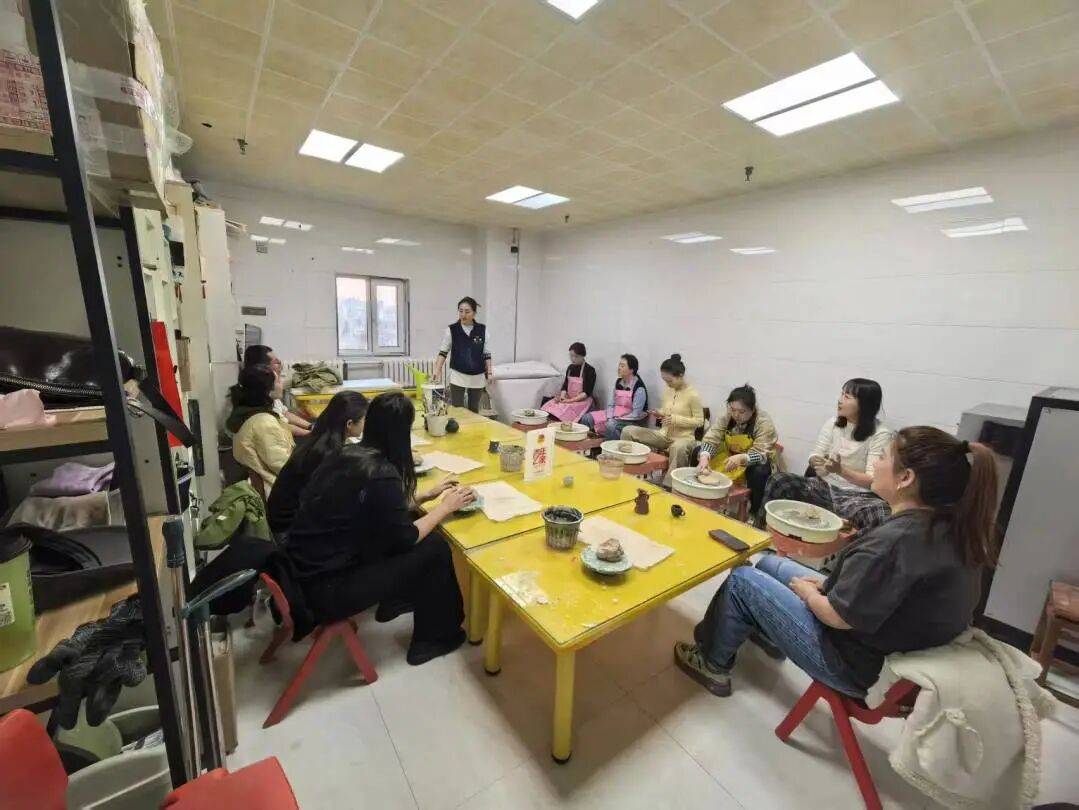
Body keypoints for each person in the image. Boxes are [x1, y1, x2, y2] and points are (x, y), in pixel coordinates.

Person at [675, 426, 999, 698]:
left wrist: (811, 594)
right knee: (768, 564)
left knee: (743, 579)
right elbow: (877, 592)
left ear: (905, 478)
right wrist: (826, 585)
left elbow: (837, 616)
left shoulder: (895, 542)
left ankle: (711, 662)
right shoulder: (951, 527)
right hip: (882, 643)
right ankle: (766, 630)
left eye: (883, 458)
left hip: (853, 664)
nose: (877, 465)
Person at [286, 392, 475, 665]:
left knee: (393, 531)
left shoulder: (347, 453)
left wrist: (425, 496)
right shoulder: (381, 472)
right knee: (434, 547)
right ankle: (432, 639)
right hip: (326, 592)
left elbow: (378, 514)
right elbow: (407, 538)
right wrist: (445, 507)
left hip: (304, 572)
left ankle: (395, 602)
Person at [763, 378, 893, 532]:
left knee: (881, 513)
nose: (840, 400)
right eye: (842, 394)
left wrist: (840, 470)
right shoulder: (833, 423)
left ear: (864, 404)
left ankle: (850, 545)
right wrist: (817, 462)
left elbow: (872, 480)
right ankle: (763, 532)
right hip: (825, 488)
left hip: (858, 497)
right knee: (779, 480)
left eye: (847, 397)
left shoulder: (880, 434)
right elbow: (816, 454)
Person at [267, 391, 368, 536]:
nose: (366, 424)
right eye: (364, 419)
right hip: (290, 530)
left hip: (284, 519)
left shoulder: (319, 439)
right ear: (349, 424)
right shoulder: (327, 453)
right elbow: (328, 503)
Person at [695, 384, 778, 516]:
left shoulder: (763, 422)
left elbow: (762, 453)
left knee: (759, 471)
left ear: (752, 409)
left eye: (741, 412)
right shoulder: (728, 416)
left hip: (753, 461)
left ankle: (755, 513)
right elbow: (712, 437)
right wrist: (704, 456)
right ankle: (698, 495)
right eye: (733, 409)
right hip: (730, 456)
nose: (736, 415)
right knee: (699, 451)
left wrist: (742, 458)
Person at [621, 354, 703, 478]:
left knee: (677, 448)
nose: (668, 384)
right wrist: (659, 413)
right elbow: (666, 410)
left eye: (670, 381)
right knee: (628, 431)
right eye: (665, 381)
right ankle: (627, 472)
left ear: (680, 375)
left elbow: (699, 421)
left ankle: (670, 485)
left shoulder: (693, 395)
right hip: (663, 435)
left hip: (683, 438)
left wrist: (676, 420)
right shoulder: (668, 390)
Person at [229, 364, 295, 495]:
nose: (282, 384)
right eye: (278, 381)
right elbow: (285, 467)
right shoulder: (264, 423)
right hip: (276, 492)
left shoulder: (248, 415)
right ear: (268, 390)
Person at [433, 297, 491, 413]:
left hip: (477, 376)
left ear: (474, 313)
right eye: (461, 311)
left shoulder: (482, 330)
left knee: (474, 410)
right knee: (457, 409)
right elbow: (443, 352)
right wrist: (437, 370)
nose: (463, 315)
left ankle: (472, 426)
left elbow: (486, 354)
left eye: (467, 311)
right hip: (458, 375)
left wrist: (489, 372)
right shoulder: (452, 330)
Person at [242, 344, 311, 437]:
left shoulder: (267, 394)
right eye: (276, 362)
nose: (280, 364)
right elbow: (281, 426)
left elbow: (284, 413)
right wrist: (311, 433)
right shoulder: (257, 403)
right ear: (262, 367)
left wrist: (311, 427)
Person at [579, 354, 648, 440]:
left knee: (611, 425)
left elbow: (636, 414)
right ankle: (587, 445)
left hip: (628, 420)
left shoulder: (639, 388)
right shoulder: (618, 382)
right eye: (619, 365)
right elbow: (611, 405)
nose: (619, 368)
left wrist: (617, 419)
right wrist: (609, 417)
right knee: (587, 418)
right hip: (613, 415)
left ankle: (609, 447)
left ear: (631, 370)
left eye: (622, 366)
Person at [540, 342, 596, 423]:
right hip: (568, 398)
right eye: (571, 356)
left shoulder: (590, 370)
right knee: (547, 406)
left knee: (563, 411)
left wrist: (570, 401)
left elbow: (586, 393)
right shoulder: (570, 368)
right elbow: (565, 386)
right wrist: (562, 397)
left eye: (575, 356)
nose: (572, 359)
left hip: (582, 401)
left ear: (583, 356)